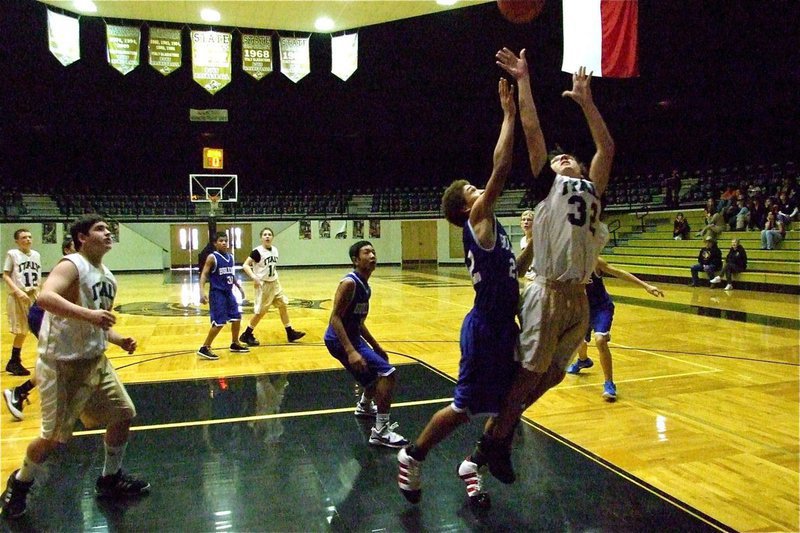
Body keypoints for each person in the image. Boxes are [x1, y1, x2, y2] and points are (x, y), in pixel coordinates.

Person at [471, 49, 615, 486]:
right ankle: (496, 440)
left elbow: (606, 146)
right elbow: (533, 130)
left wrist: (587, 104)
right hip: (548, 291)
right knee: (529, 375)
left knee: (551, 376)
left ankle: (499, 431)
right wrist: (525, 81)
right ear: (549, 170)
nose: (565, 158)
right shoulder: (549, 185)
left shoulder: (592, 188)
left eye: (570, 157)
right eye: (559, 159)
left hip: (579, 297)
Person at [397, 77, 525, 509]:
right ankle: (413, 456)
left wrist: (533, 255)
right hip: (486, 328)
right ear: (464, 209)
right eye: (473, 190)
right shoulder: (477, 221)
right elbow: (502, 170)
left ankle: (473, 464)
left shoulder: (495, 232)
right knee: (463, 409)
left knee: (512, 402)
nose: (480, 191)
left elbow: (510, 270)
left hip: (503, 326)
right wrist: (509, 116)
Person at [0, 215, 149, 520]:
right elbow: (44, 297)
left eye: (109, 230)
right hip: (63, 364)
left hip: (95, 360)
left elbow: (99, 323)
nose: (108, 233)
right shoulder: (71, 264)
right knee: (52, 439)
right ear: (82, 237)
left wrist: (118, 338)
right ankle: (19, 483)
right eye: (100, 229)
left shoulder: (108, 277)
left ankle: (109, 479)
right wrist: (90, 315)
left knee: (123, 415)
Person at [324, 241, 408, 448]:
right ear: (355, 260)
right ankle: (381, 431)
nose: (372, 255)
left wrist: (376, 346)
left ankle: (364, 406)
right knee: (388, 373)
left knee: (372, 379)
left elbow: (358, 322)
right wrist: (351, 351)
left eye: (373, 251)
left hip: (353, 338)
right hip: (339, 340)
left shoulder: (365, 285)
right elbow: (334, 319)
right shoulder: (349, 284)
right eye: (366, 252)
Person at [566, 257, 664, 401]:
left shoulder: (594, 261)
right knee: (579, 341)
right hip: (582, 309)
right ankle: (583, 360)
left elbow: (618, 272)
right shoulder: (565, 265)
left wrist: (645, 286)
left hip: (601, 308)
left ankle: (609, 383)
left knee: (600, 341)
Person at [4, 237, 76, 421]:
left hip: (54, 316)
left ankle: (21, 391)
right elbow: (48, 298)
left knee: (64, 360)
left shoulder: (82, 267)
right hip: (43, 315)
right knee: (57, 361)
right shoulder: (66, 267)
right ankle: (19, 392)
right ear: (68, 250)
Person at [238, 227, 305, 347]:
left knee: (283, 305)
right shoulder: (257, 251)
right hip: (263, 285)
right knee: (260, 312)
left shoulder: (275, 250)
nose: (267, 236)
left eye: (269, 234)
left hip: (275, 282)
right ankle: (247, 334)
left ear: (272, 237)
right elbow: (245, 265)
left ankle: (290, 332)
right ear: (261, 238)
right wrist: (254, 277)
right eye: (265, 235)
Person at [196, 232, 250, 360]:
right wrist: (201, 292)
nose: (224, 243)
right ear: (215, 243)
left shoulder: (230, 257)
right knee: (219, 323)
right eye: (221, 241)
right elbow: (204, 274)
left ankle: (235, 343)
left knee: (236, 318)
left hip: (229, 292)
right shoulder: (212, 257)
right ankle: (205, 347)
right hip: (217, 293)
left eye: (226, 240)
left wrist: (239, 287)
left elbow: (231, 275)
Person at [3, 228, 41, 376]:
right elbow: (6, 275)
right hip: (18, 295)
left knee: (38, 326)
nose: (28, 240)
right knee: (22, 330)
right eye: (24, 237)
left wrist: (39, 292)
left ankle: (15, 361)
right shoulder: (13, 254)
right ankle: (14, 361)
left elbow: (37, 276)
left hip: (32, 295)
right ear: (17, 241)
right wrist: (18, 291)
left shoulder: (36, 255)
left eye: (30, 237)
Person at [519, 209, 536, 282]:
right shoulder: (522, 240)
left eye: (529, 220)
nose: (526, 222)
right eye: (523, 219)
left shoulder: (540, 240)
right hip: (527, 278)